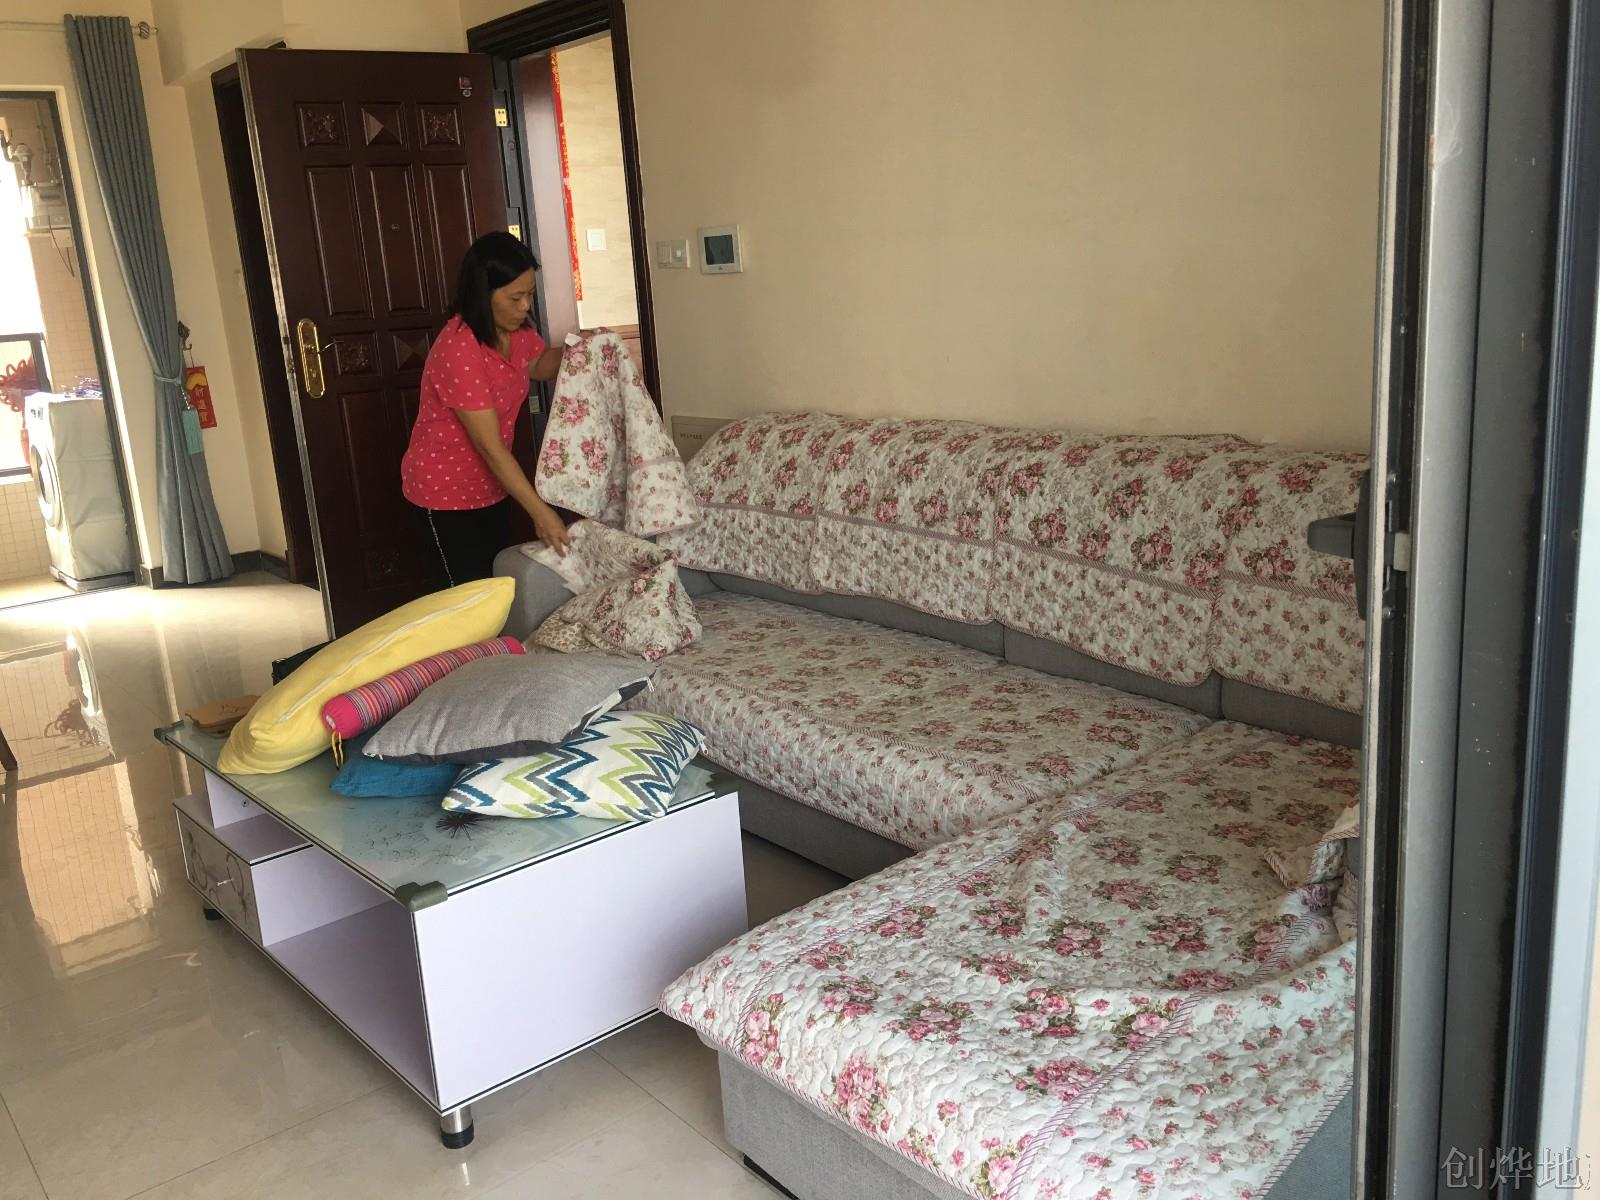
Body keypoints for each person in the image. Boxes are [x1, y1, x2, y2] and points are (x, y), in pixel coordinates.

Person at [401, 231, 573, 586]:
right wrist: (541, 513)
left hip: (491, 485)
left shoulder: (516, 331)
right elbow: (490, 447)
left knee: (493, 585)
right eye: (515, 297)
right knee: (464, 594)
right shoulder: (459, 348)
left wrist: (582, 350)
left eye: (529, 294)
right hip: (445, 492)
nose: (525, 307)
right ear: (483, 293)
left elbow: (537, 363)